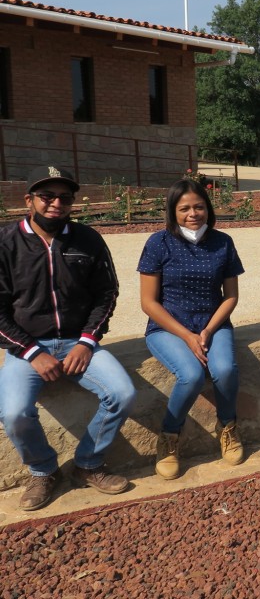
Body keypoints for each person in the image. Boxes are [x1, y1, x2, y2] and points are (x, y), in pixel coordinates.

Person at [0, 165, 135, 511]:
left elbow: (107, 293)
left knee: (122, 392)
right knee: (14, 412)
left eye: (64, 197)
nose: (56, 203)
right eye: (47, 196)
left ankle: (88, 464)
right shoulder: (6, 242)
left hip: (79, 341)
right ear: (29, 200)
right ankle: (43, 471)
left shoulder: (87, 239)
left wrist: (87, 341)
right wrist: (31, 352)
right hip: (27, 347)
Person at [138, 179, 246, 479]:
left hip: (213, 323)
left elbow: (231, 296)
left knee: (224, 370)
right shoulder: (158, 243)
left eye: (199, 206)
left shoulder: (223, 242)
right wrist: (187, 335)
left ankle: (228, 427)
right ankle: (169, 438)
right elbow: (148, 302)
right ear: (172, 212)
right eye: (184, 208)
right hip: (168, 327)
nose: (192, 214)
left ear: (207, 209)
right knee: (192, 374)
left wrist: (208, 331)